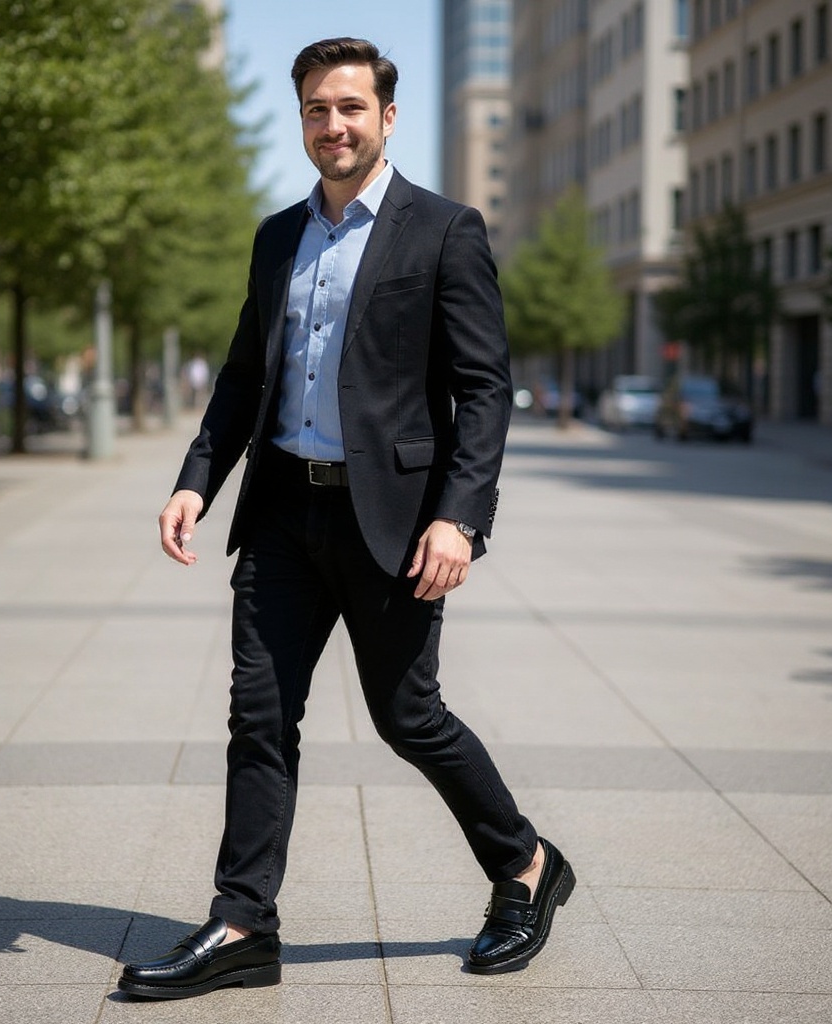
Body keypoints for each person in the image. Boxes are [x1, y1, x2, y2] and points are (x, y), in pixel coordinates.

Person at [118, 37, 574, 1001]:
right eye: (317, 109)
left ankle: (527, 864)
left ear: (387, 118)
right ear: (303, 121)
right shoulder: (277, 235)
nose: (334, 125)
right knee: (261, 718)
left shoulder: (445, 230)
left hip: (396, 523)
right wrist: (197, 477)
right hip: (282, 511)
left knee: (409, 717)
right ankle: (244, 923)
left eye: (351, 108)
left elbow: (485, 391)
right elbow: (246, 374)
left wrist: (460, 519)